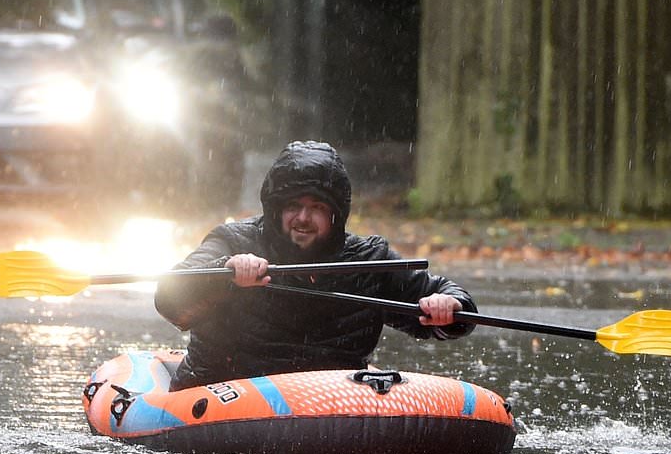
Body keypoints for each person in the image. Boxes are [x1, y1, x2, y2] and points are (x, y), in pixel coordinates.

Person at [155, 140, 477, 391]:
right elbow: (170, 297)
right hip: (227, 397)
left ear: (335, 215)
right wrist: (225, 274)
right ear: (276, 208)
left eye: (317, 208)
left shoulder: (367, 259)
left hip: (325, 405)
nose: (303, 219)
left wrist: (450, 306)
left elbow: (445, 295)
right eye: (293, 206)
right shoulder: (232, 241)